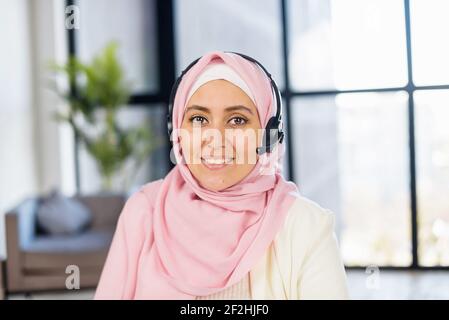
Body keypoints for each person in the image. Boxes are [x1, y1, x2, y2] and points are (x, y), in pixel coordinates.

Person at [94, 51, 349, 300]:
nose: (215, 139)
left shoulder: (307, 226)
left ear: (267, 136)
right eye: (198, 119)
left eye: (237, 120)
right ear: (177, 132)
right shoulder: (143, 211)